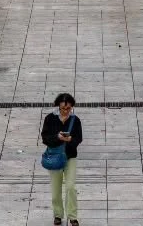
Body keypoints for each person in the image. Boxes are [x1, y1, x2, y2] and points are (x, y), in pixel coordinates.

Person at [42, 93, 83, 226]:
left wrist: (70, 140)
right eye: (63, 108)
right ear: (58, 106)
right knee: (56, 190)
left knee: (70, 187)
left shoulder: (75, 120)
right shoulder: (50, 118)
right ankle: (58, 214)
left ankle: (73, 216)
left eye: (68, 108)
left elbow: (79, 138)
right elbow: (45, 138)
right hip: (55, 157)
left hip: (70, 156)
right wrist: (58, 137)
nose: (65, 111)